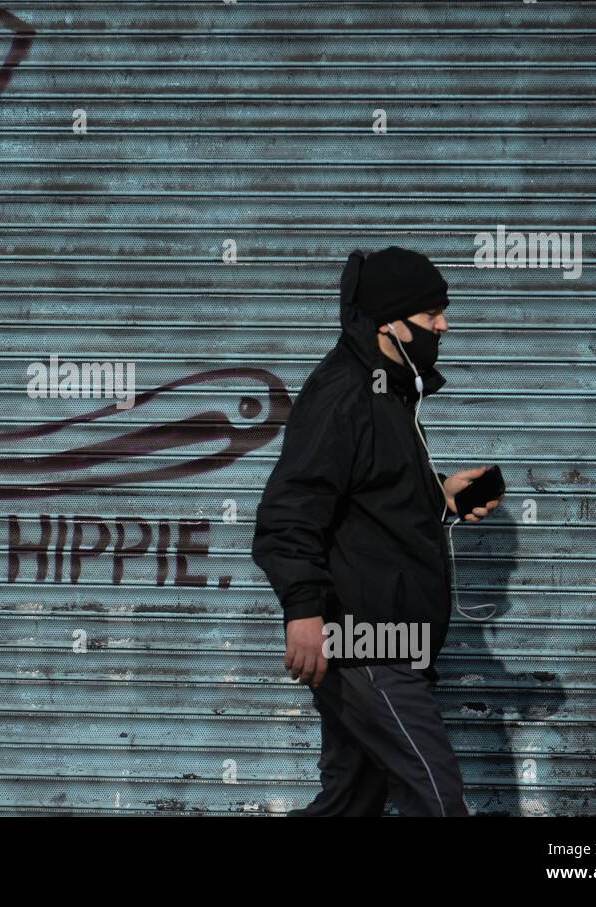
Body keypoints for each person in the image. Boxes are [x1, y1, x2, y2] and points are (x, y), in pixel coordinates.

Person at [251, 246, 502, 817]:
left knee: (352, 800)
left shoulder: (389, 392)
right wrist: (303, 610)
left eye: (443, 309)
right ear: (389, 321)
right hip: (365, 637)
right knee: (435, 797)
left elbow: (371, 496)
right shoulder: (344, 393)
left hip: (394, 635)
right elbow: (289, 511)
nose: (443, 324)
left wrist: (444, 495)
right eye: (430, 313)